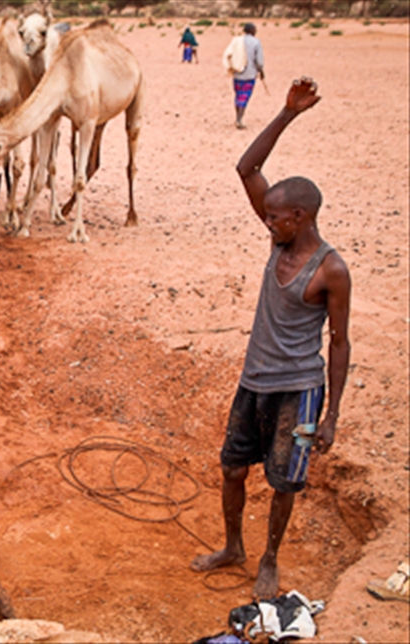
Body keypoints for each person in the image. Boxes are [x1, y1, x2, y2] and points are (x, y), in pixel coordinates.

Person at [190, 78, 351, 600]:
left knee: (284, 482)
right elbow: (247, 169)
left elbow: (340, 343)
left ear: (299, 218)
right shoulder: (279, 242)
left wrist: (330, 415)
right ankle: (233, 547)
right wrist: (287, 114)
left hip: (298, 390)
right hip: (254, 380)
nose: (267, 223)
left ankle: (269, 559)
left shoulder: (330, 270)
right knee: (232, 468)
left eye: (275, 217)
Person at [228, 23, 264, 129]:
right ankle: (239, 119)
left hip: (237, 73)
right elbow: (259, 60)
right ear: (252, 30)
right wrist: (261, 71)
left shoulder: (237, 41)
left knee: (238, 95)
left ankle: (237, 117)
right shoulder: (256, 42)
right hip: (250, 74)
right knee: (245, 96)